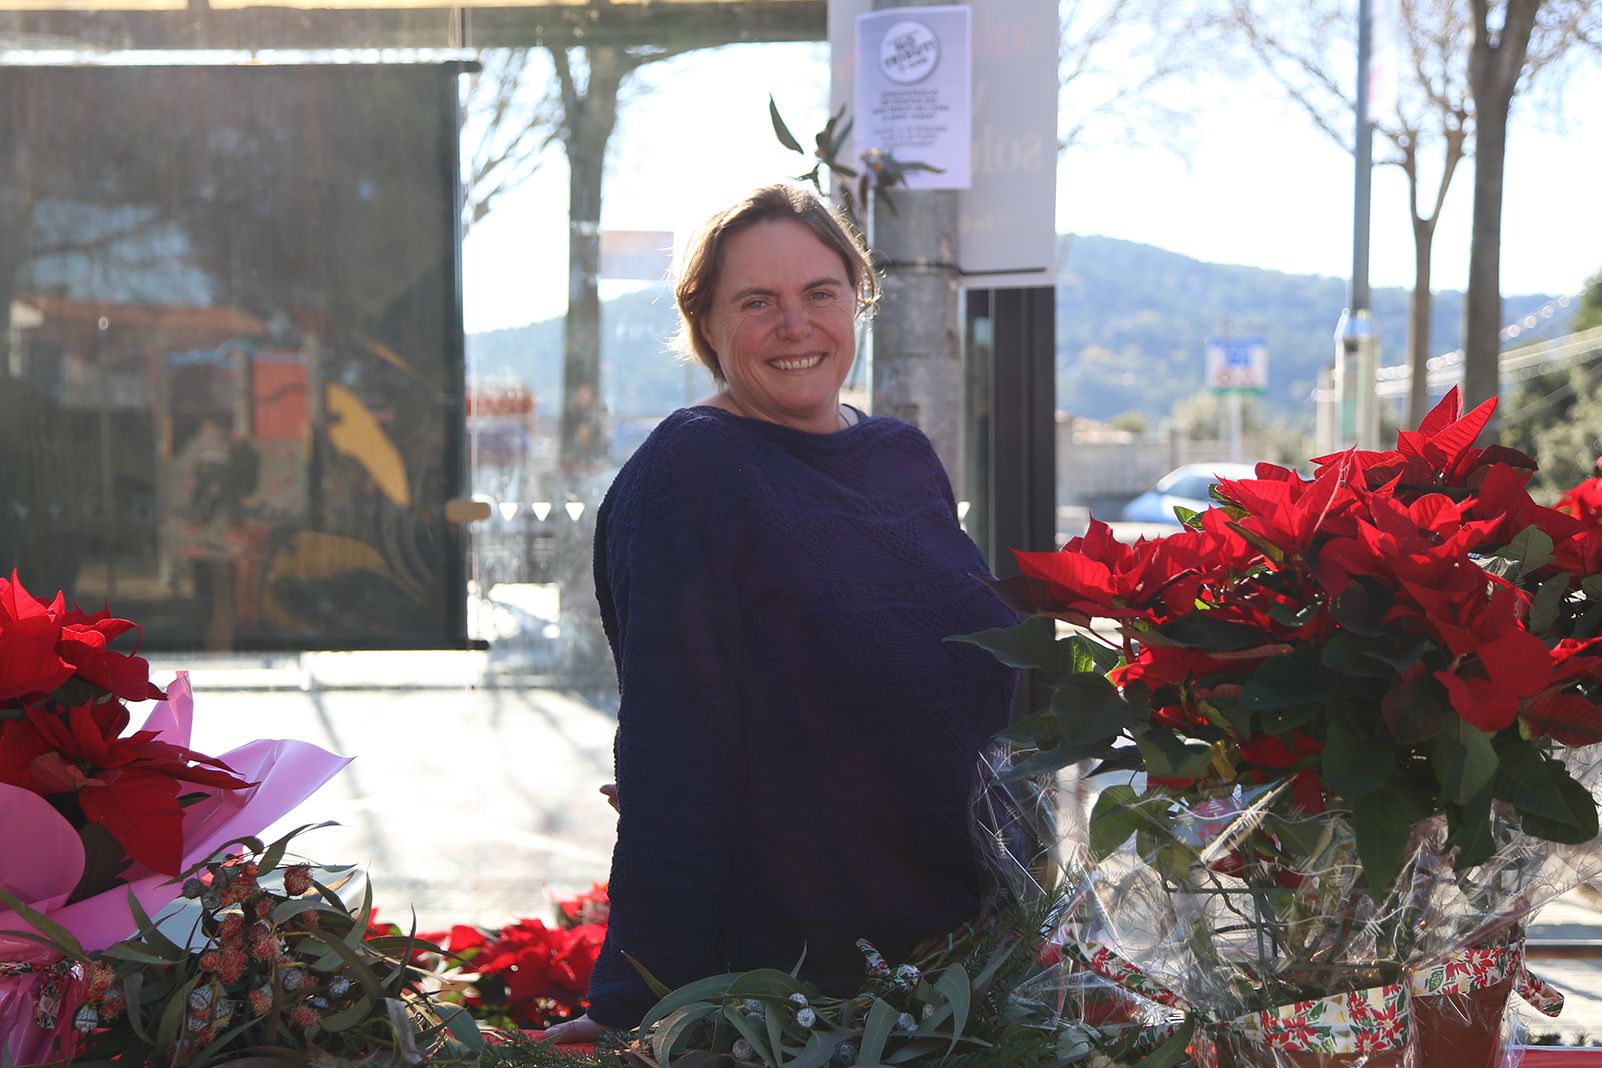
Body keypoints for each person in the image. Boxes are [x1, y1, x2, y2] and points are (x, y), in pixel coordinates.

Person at [545, 183, 1017, 1043]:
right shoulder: (690, 475)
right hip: (796, 1001)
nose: (796, 326)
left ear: (857, 298)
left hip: (964, 969)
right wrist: (638, 1010)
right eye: (757, 302)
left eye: (820, 293)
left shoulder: (901, 457)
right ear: (705, 323)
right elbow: (673, 756)